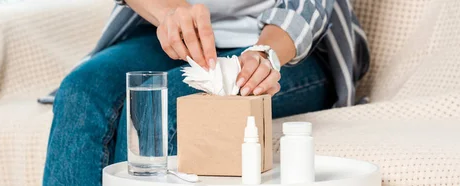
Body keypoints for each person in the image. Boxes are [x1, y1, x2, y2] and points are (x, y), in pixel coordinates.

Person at [42, 0, 369, 185]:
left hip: (285, 43)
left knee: (170, 104)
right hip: (170, 32)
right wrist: (167, 12)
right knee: (81, 93)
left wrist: (265, 54)